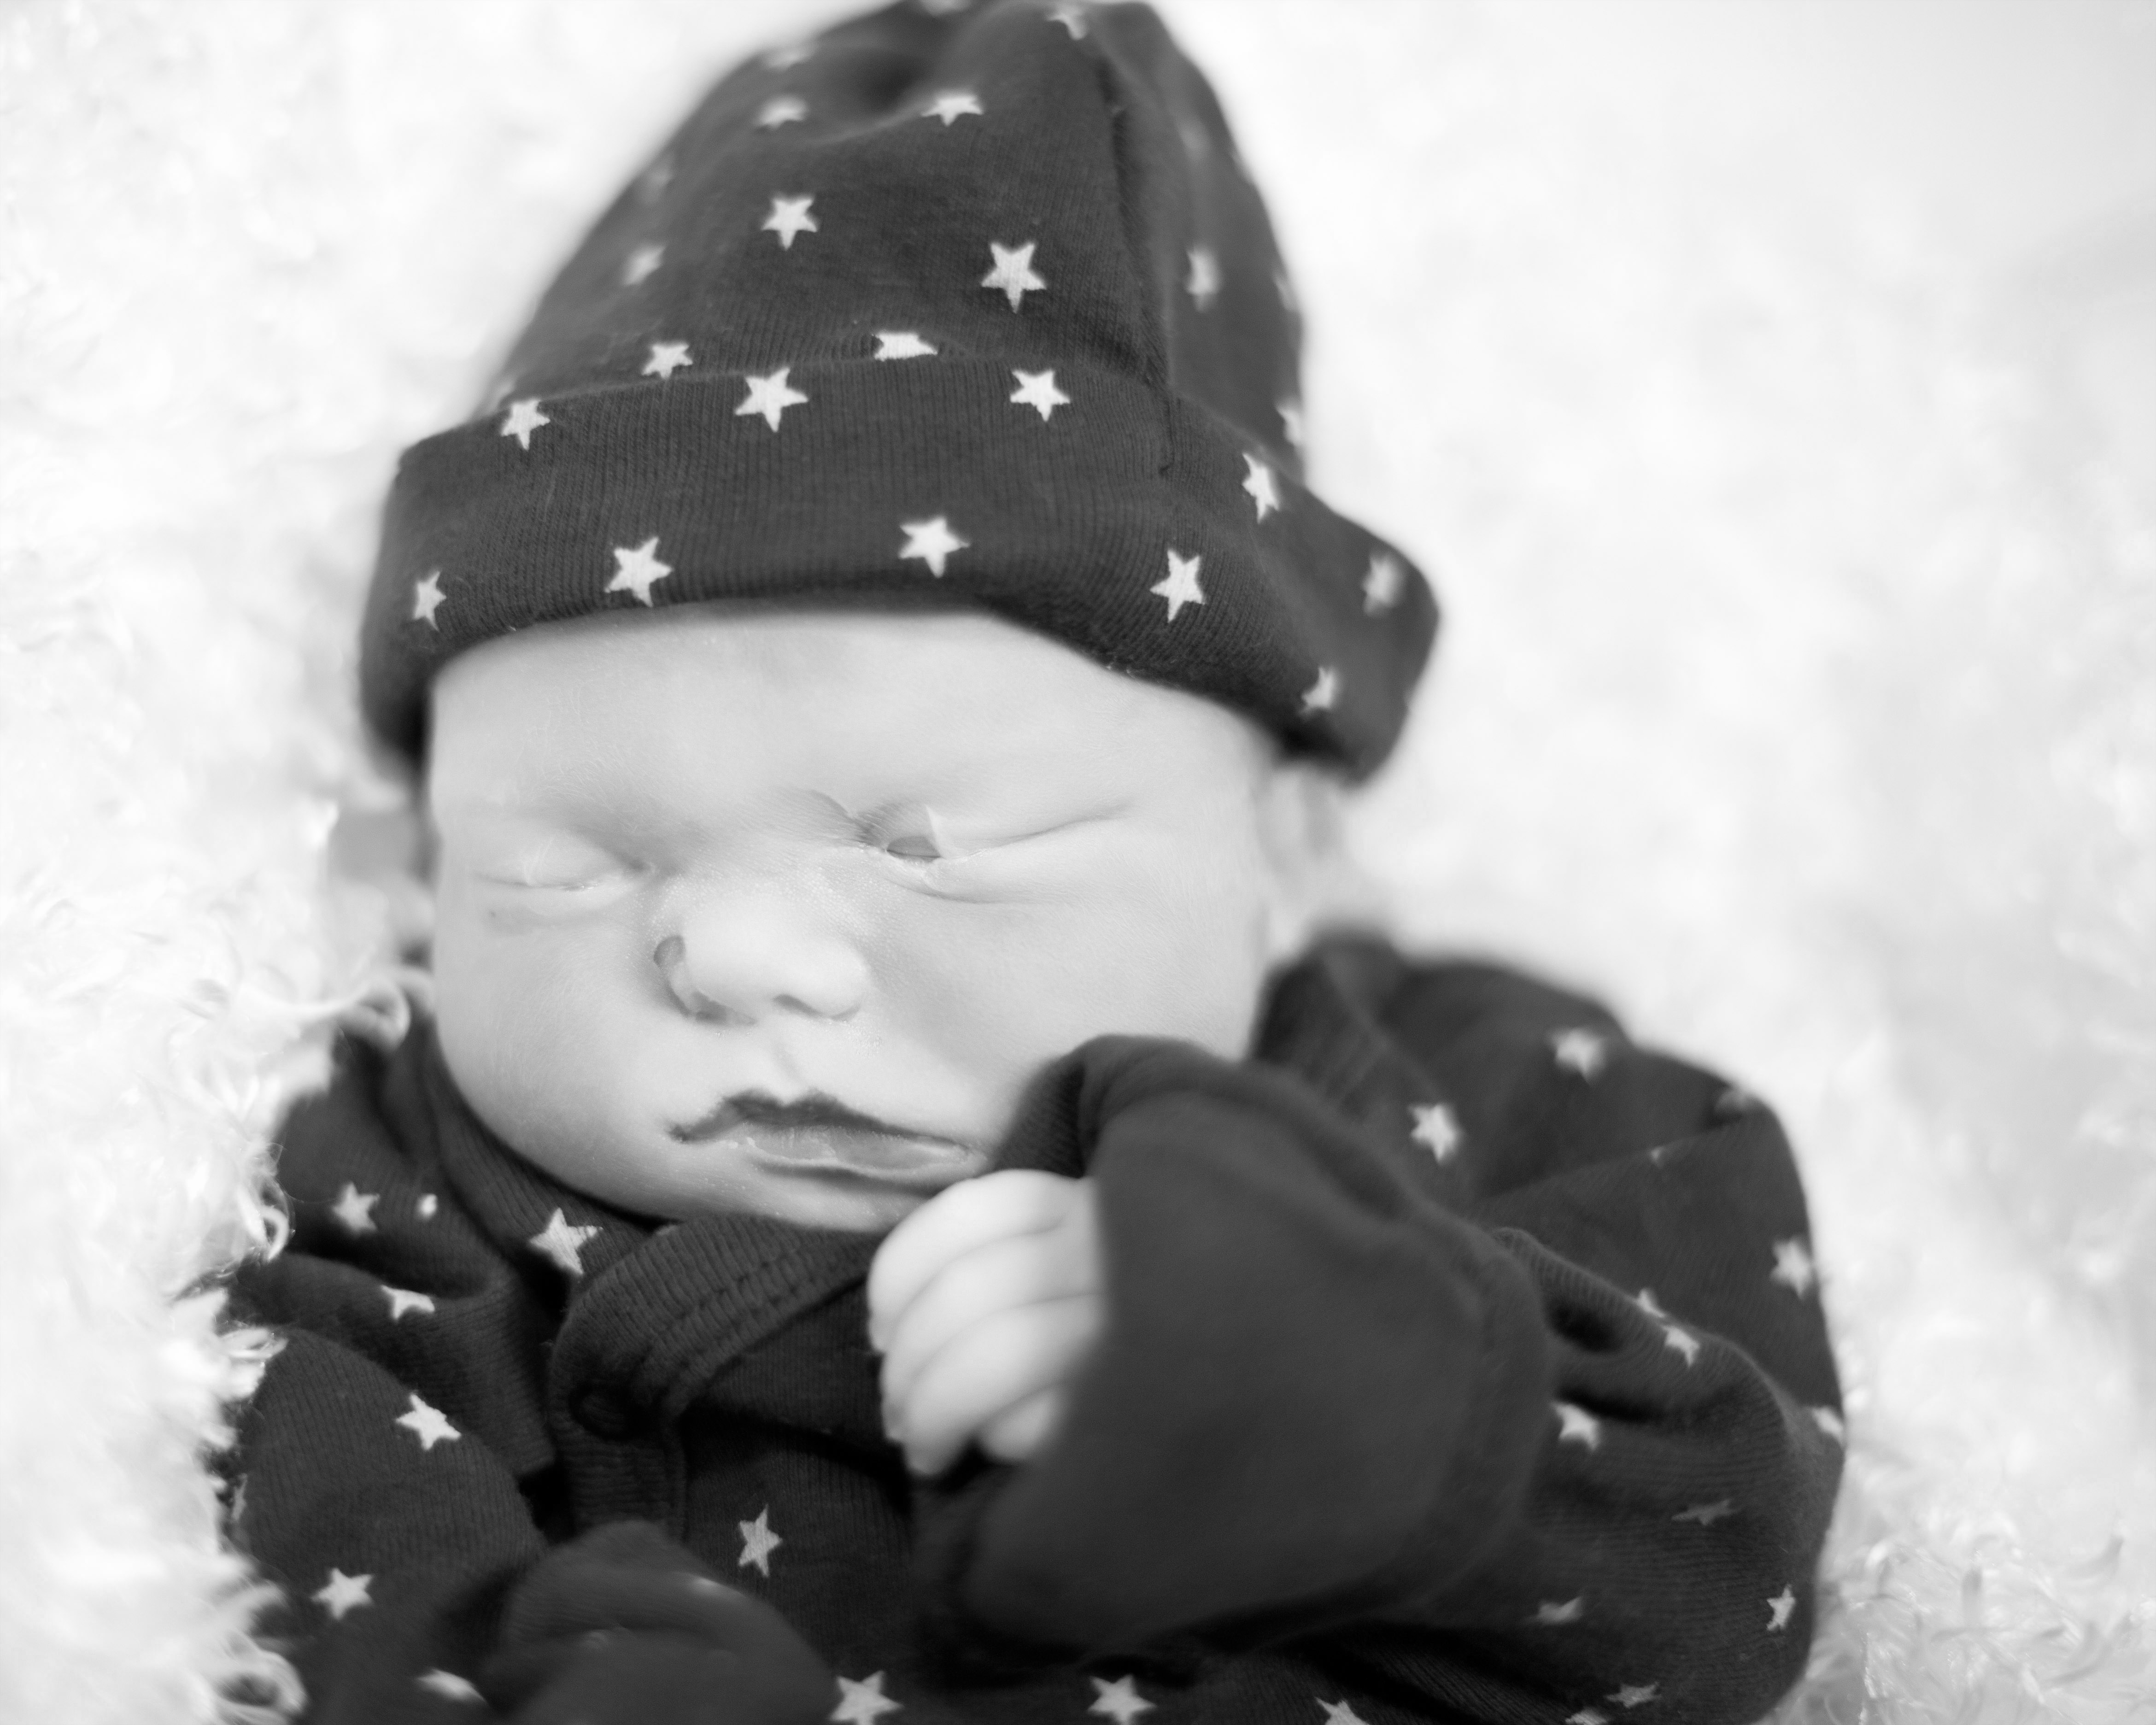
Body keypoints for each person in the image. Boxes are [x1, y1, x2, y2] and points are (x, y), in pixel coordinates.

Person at [225, 3, 1842, 1720]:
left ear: (1289, 850)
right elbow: (282, 1540)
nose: (742, 953)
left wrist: (1344, 1379)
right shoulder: (395, 1197)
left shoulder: (1501, 1105)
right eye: (568, 868)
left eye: (926, 847)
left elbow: (1729, 1579)